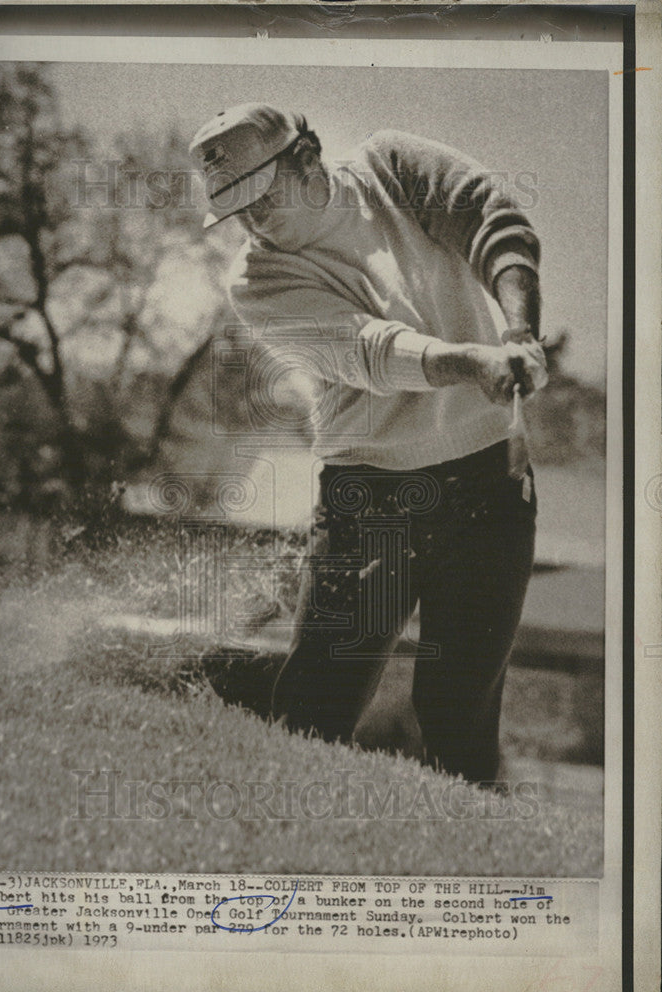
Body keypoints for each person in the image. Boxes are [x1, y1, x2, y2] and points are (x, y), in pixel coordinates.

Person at [189, 103, 548, 784]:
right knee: (317, 702)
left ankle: (465, 873)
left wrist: (518, 330)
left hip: (488, 481)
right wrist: (470, 362)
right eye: (235, 207)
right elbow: (367, 352)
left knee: (460, 710)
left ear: (305, 157)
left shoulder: (392, 165)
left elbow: (492, 221)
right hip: (369, 494)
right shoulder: (256, 279)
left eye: (261, 194)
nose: (253, 218)